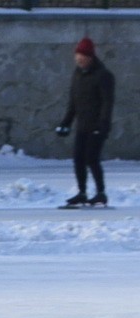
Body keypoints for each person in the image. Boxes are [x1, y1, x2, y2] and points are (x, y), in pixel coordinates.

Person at [55, 37, 115, 207]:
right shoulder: (77, 75)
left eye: (82, 56)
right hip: (82, 125)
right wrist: (65, 123)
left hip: (97, 126)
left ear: (90, 57)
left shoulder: (103, 75)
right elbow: (73, 103)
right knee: (78, 159)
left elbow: (107, 103)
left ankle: (100, 193)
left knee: (92, 158)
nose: (79, 59)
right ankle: (82, 192)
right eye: (77, 55)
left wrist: (103, 126)